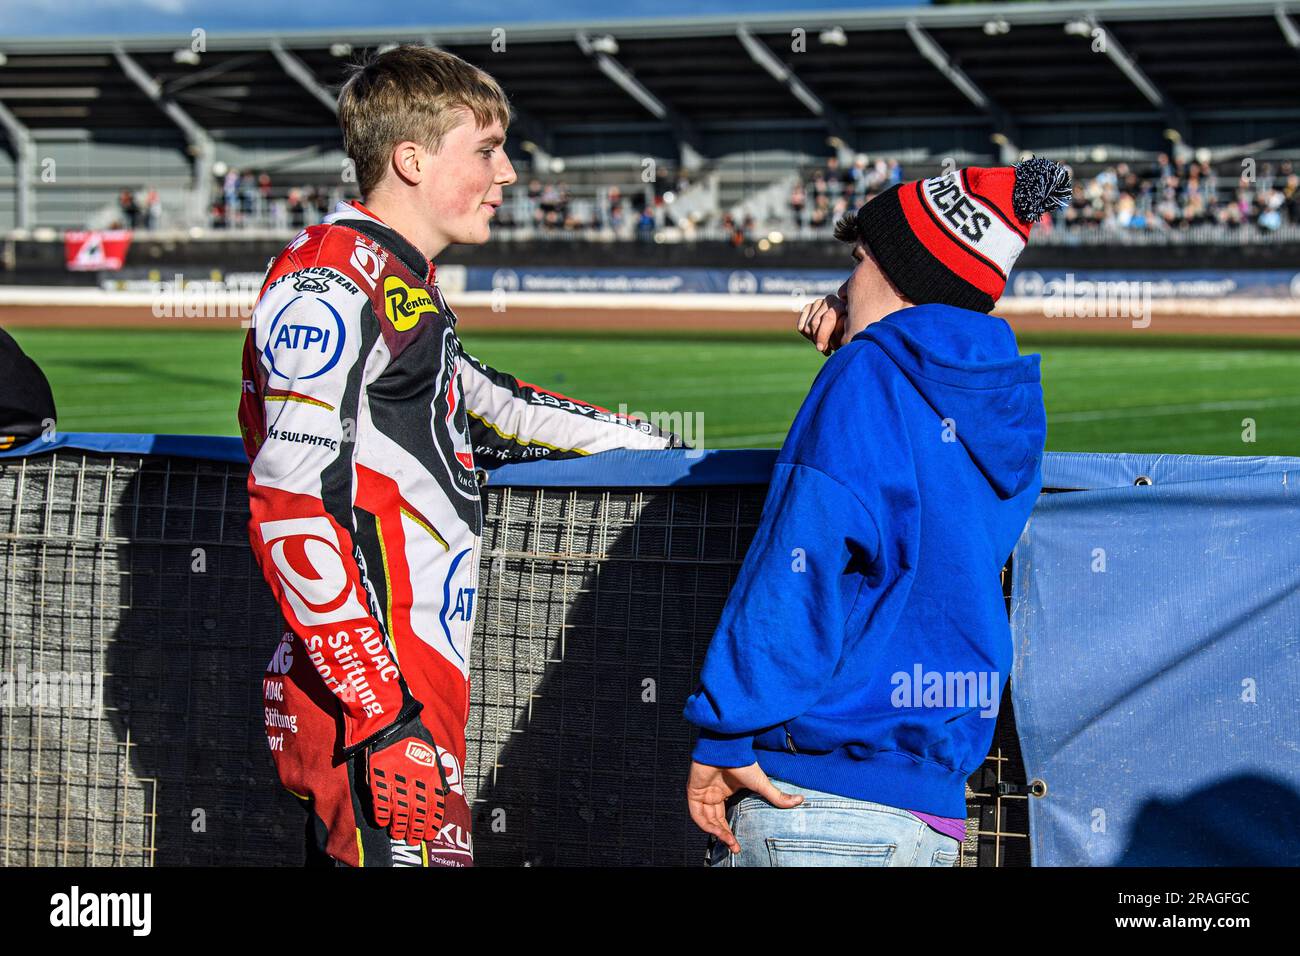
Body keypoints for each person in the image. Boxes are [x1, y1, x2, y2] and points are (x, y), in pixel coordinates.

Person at [238, 45, 683, 868]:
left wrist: (662, 448)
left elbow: (491, 408)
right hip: (374, 717)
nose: (507, 173)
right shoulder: (327, 282)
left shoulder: (396, 281)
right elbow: (291, 505)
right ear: (410, 159)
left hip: (405, 706)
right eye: (485, 150)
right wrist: (382, 716)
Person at [682, 158, 1070, 867]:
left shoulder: (866, 380)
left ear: (899, 270)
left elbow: (800, 566)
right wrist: (865, 346)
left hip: (815, 799)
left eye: (857, 260)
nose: (841, 282)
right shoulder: (999, 402)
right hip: (931, 808)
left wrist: (724, 729)